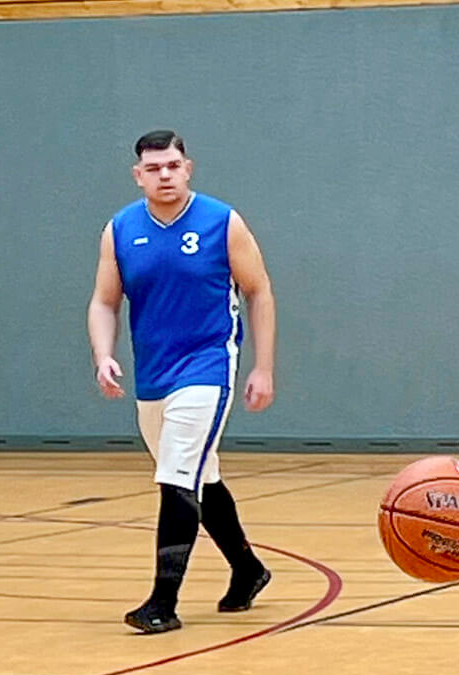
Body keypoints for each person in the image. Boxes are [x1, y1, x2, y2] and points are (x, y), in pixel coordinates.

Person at [87, 130, 276, 634]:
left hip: (208, 365)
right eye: (153, 169)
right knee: (200, 477)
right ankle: (248, 569)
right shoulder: (121, 229)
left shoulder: (222, 222)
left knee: (176, 477)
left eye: (173, 166)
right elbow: (104, 301)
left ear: (187, 168)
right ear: (138, 176)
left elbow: (258, 291)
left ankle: (162, 602)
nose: (165, 175)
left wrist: (263, 367)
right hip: (154, 374)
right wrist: (103, 355)